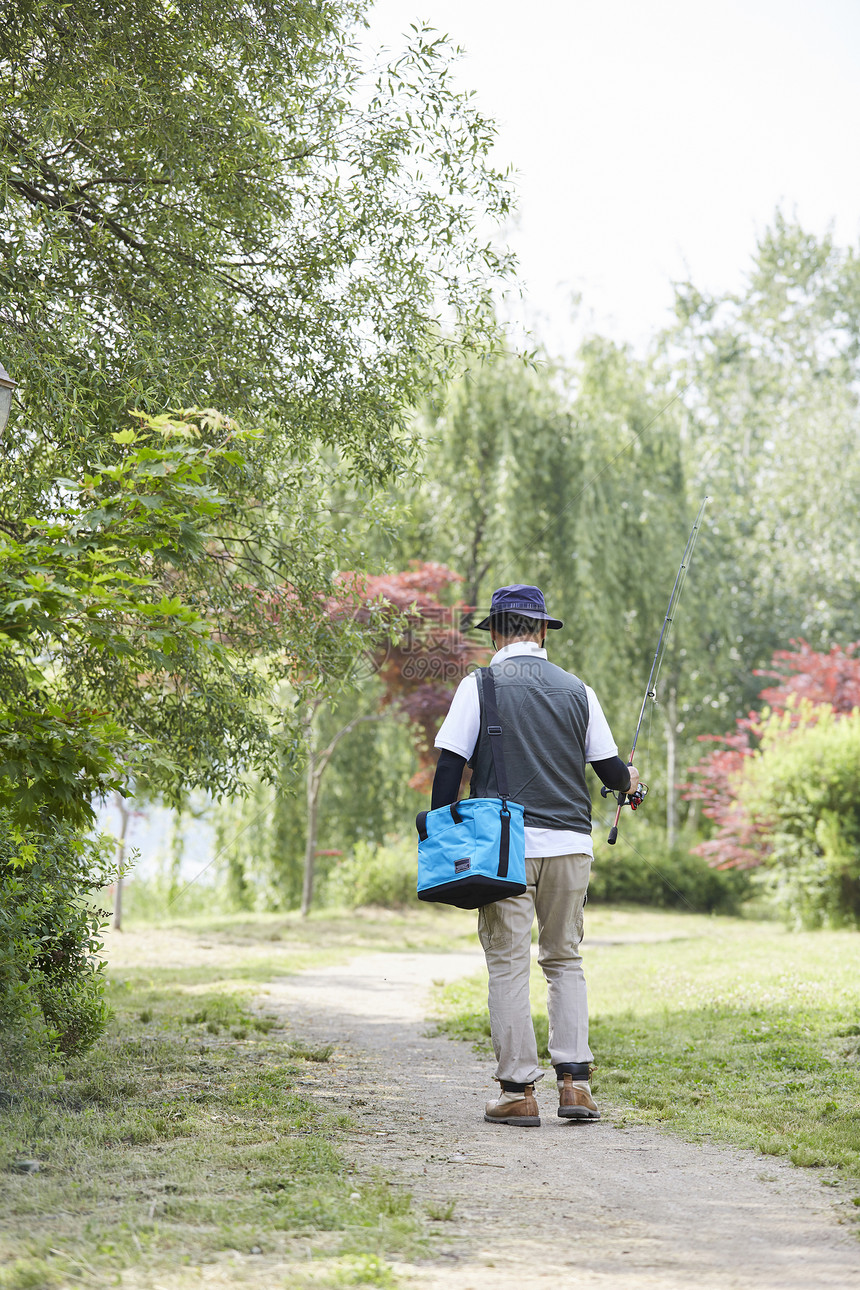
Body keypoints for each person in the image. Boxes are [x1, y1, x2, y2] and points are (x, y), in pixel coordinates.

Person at [431, 583, 639, 1127]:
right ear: (543, 631)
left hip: (505, 847)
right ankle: (576, 1086)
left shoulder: (479, 686)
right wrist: (632, 782)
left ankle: (518, 1092)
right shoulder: (579, 690)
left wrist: (442, 831)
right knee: (564, 959)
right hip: (571, 843)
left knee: (507, 964)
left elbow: (450, 768)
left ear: (496, 632)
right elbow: (613, 773)